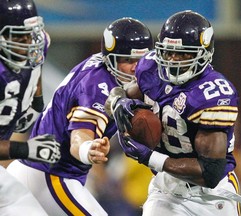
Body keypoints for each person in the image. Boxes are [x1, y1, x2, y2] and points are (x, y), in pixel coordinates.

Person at [7, 17, 154, 215]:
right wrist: (88, 149)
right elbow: (79, 137)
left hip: (39, 172)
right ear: (111, 58)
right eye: (127, 60)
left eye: (140, 60)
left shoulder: (101, 67)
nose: (136, 67)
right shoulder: (98, 87)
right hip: (51, 175)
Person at [105, 10, 241, 216]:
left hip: (211, 196)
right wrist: (118, 102)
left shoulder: (213, 93)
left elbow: (210, 173)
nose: (173, 60)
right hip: (166, 189)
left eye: (183, 53)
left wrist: (149, 157)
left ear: (204, 53)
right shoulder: (151, 68)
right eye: (168, 52)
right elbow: (118, 93)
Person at [0, 0, 61, 215]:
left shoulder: (36, 44)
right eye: (18, 37)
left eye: (30, 34)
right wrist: (26, 149)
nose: (28, 43)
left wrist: (36, 100)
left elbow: (37, 60)